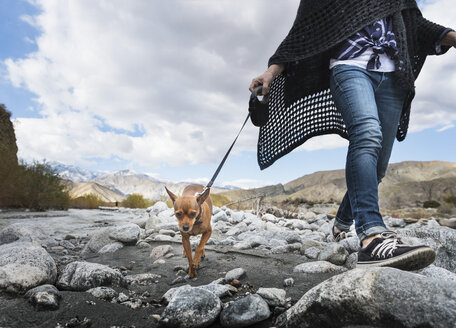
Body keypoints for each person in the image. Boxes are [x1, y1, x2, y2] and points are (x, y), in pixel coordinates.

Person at [249, 0, 456, 271]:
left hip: (393, 76)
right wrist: (271, 72)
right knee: (368, 134)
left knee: (378, 167)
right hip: (349, 66)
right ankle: (372, 236)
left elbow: (417, 25)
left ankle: (342, 222)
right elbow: (301, 34)